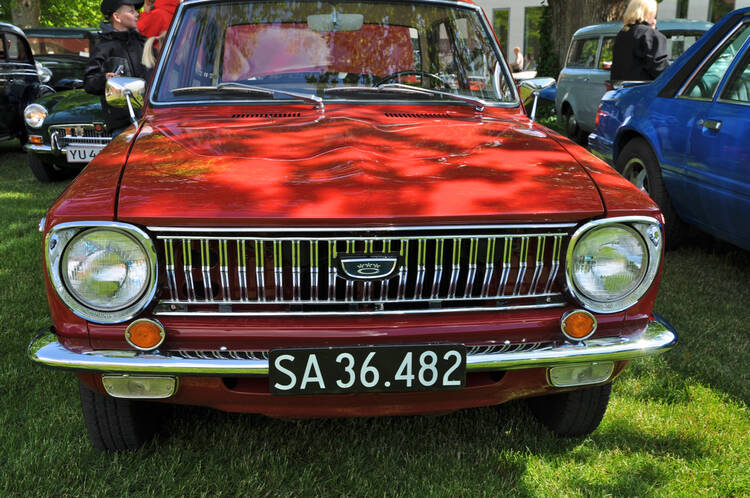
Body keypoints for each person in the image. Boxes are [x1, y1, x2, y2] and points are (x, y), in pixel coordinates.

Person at [84, 0, 150, 136]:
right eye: (131, 11)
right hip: (122, 126)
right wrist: (105, 80)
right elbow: (89, 82)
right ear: (117, 17)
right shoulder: (103, 47)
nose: (137, 14)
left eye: (136, 11)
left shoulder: (143, 43)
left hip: (151, 120)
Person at [610, 0, 669, 81]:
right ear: (650, 12)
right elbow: (662, 71)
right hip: (645, 87)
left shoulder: (622, 33)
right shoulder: (651, 35)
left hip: (620, 87)